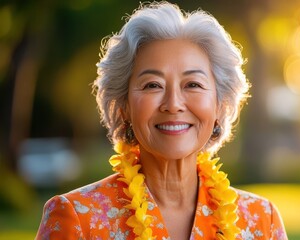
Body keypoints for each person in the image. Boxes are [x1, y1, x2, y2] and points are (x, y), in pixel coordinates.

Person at [36, 2, 287, 239]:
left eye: (193, 84)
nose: (173, 104)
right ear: (123, 106)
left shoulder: (261, 221)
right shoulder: (77, 218)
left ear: (220, 105)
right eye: (152, 85)